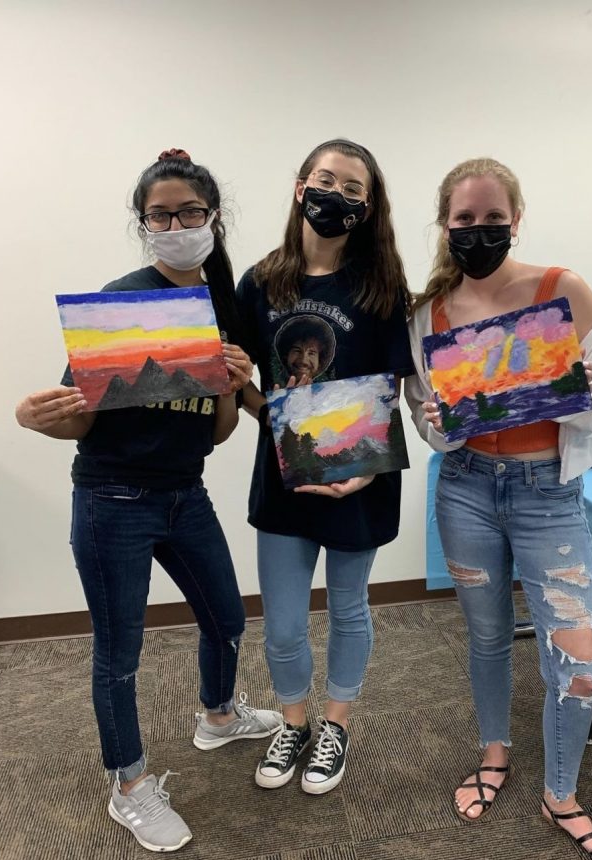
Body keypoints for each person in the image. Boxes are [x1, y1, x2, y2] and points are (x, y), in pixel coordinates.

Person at [15, 149, 282, 853]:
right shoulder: (121, 305)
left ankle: (218, 716)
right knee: (119, 653)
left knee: (226, 618)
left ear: (211, 219)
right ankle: (128, 785)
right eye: (160, 215)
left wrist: (230, 385)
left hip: (183, 495)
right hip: (112, 500)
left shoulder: (218, 309)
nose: (175, 224)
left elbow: (218, 431)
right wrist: (32, 416)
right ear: (144, 224)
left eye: (188, 212)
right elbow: (79, 417)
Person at [405, 158, 592, 860]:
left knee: (578, 651)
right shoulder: (428, 313)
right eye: (464, 220)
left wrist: (576, 392)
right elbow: (431, 425)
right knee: (484, 637)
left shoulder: (558, 290)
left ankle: (560, 793)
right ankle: (495, 754)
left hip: (547, 495)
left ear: (515, 218)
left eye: (491, 219)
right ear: (445, 225)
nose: (478, 231)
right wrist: (436, 418)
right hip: (466, 488)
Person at [235, 138, 413, 795]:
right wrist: (274, 423)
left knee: (347, 607)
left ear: (366, 207)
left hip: (359, 480)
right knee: (281, 621)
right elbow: (236, 378)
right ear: (299, 185)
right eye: (324, 180)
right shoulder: (260, 282)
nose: (333, 195)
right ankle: (293, 721)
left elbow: (393, 383)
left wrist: (364, 463)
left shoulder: (382, 286)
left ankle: (334, 724)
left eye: (350, 188)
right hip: (285, 478)